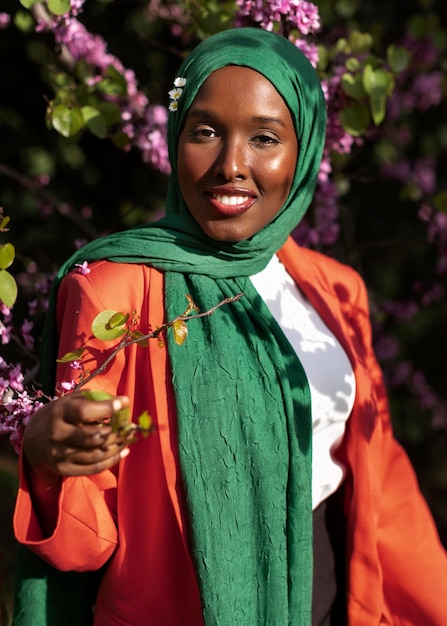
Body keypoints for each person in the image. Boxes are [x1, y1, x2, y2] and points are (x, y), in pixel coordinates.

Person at [12, 27, 447, 626]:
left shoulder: (335, 290)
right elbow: (82, 537)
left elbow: (380, 474)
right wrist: (46, 462)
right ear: (176, 136)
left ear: (305, 151)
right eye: (206, 131)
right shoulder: (115, 288)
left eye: (265, 137)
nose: (230, 166)